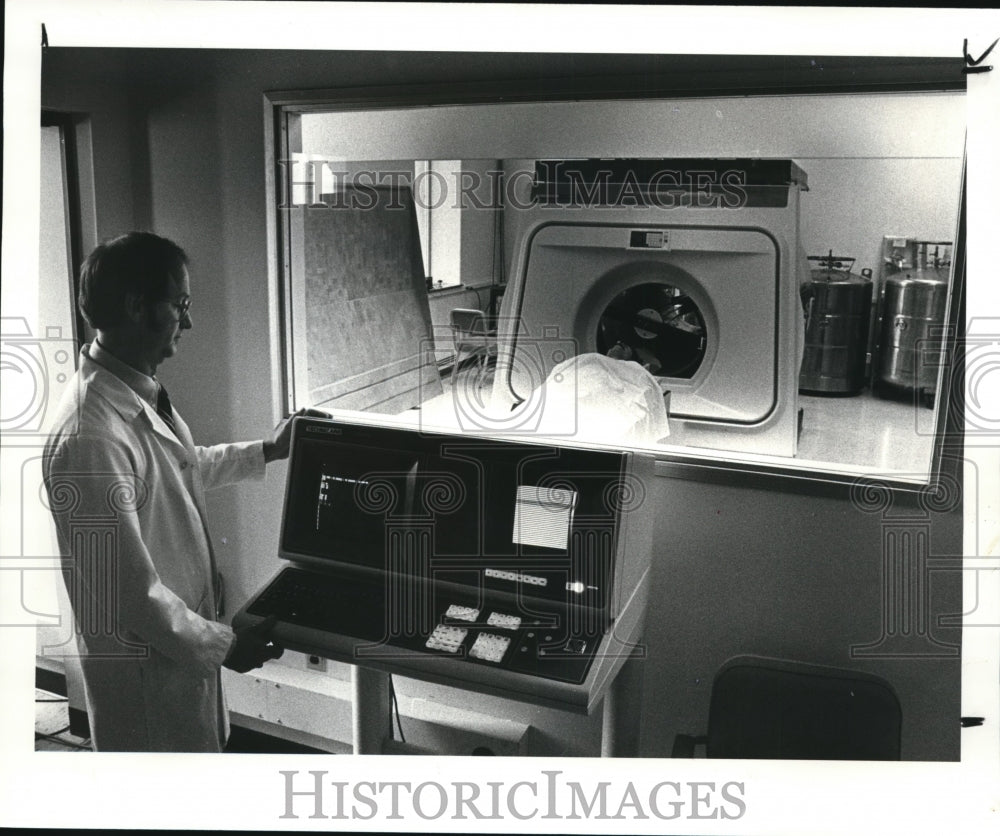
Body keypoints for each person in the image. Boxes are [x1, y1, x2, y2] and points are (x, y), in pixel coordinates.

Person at [43, 231, 311, 752]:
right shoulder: (89, 437)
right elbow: (133, 597)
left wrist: (268, 450)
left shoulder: (134, 391)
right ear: (136, 306)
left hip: (175, 669)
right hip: (147, 691)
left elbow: (179, 471)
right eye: (180, 304)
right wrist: (225, 645)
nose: (188, 322)